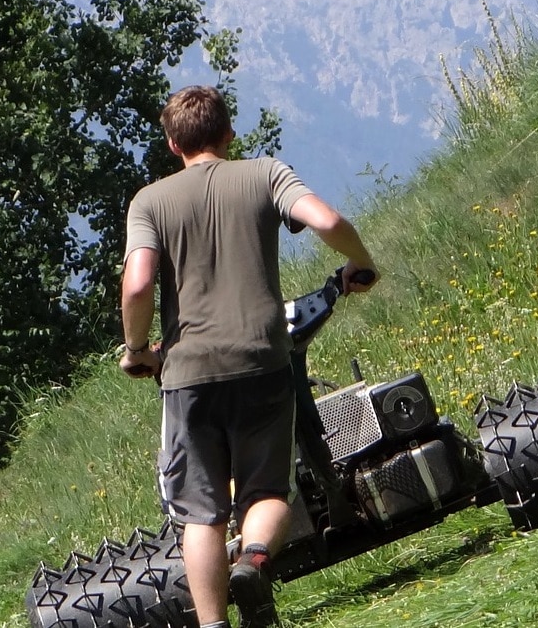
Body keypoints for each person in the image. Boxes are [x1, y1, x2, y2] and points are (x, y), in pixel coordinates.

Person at [119, 85, 376, 628]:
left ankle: (214, 625)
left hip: (187, 372)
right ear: (229, 133)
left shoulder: (150, 201)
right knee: (265, 491)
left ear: (171, 144)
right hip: (262, 360)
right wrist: (360, 263)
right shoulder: (265, 173)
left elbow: (138, 283)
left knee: (201, 514)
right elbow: (326, 221)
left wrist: (139, 350)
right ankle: (254, 561)